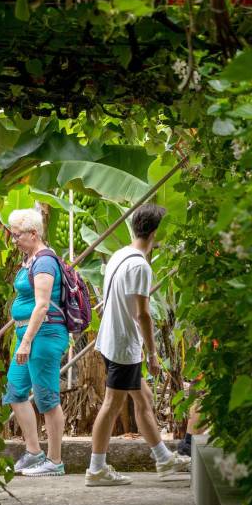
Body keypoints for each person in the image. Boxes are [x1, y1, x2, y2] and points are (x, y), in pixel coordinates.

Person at [85, 203, 191, 486]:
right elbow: (142, 314)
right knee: (111, 405)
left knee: (143, 399)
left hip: (112, 340)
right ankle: (96, 469)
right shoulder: (140, 265)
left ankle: (163, 459)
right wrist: (153, 353)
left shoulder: (120, 255)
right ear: (155, 232)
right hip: (123, 345)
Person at [2, 207, 70, 477]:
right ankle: (33, 452)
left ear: (33, 233)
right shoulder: (29, 260)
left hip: (44, 335)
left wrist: (26, 341)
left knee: (47, 397)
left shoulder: (44, 262)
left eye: (17, 235)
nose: (14, 240)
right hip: (27, 335)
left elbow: (42, 306)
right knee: (15, 391)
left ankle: (55, 461)